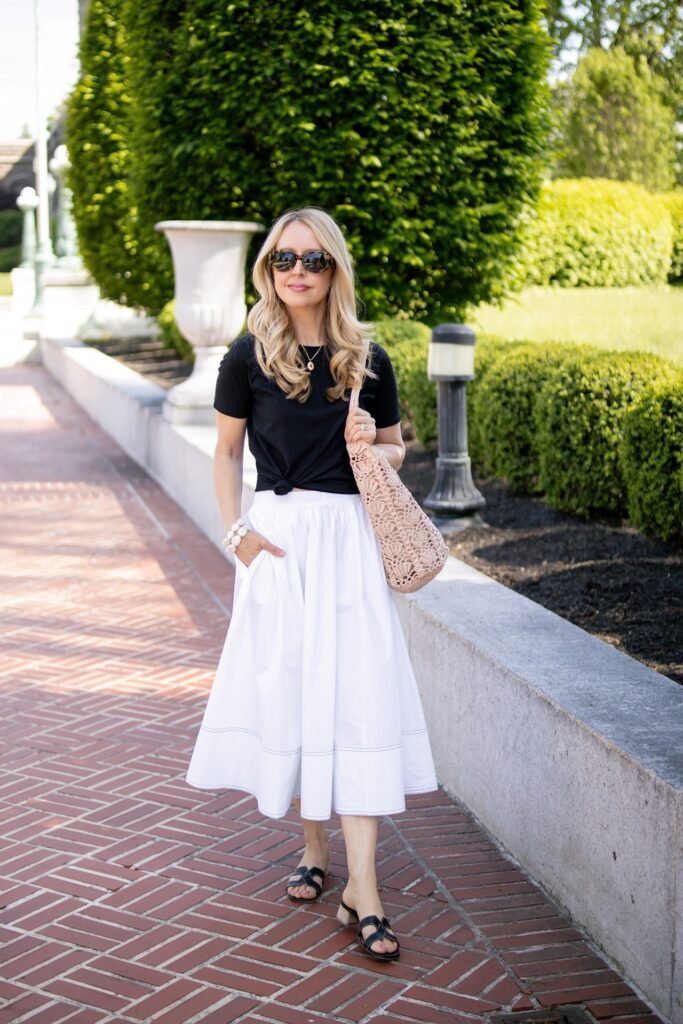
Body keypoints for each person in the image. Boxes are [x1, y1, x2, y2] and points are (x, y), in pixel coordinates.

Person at [186, 206, 438, 961]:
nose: (297, 271)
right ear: (267, 269)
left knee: (354, 697)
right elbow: (226, 454)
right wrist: (241, 538)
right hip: (280, 543)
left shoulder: (367, 357)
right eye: (284, 259)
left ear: (335, 270)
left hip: (351, 543)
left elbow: (395, 452)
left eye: (313, 260)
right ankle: (315, 851)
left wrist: (374, 447)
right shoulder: (246, 355)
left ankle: (364, 885)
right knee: (297, 689)